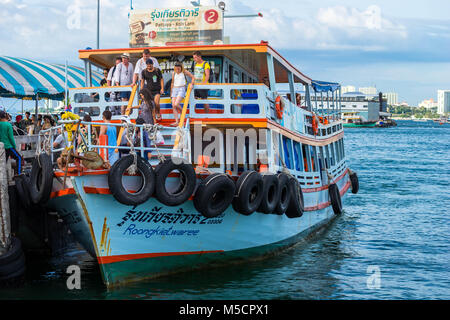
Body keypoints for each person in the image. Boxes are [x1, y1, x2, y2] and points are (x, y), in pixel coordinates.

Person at [170, 62, 194, 126]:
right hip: (174, 89)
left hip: (181, 88)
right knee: (173, 105)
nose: (177, 70)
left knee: (176, 104)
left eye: (179, 68)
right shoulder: (173, 73)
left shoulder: (184, 72)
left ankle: (183, 112)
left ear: (181, 68)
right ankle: (177, 122)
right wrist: (171, 92)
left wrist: (191, 83)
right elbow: (172, 83)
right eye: (176, 68)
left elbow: (193, 77)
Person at [0, 110, 22, 175]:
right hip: (8, 146)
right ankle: (18, 174)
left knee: (3, 162)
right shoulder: (8, 125)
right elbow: (11, 138)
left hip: (1, 147)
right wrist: (14, 147)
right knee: (19, 158)